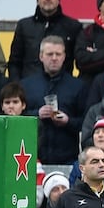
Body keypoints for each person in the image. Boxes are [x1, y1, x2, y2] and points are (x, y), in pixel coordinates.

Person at [20, 36, 84, 166]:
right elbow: (17, 117)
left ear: (64, 56)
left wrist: (68, 121)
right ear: (41, 56)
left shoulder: (77, 86)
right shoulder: (26, 85)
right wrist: (37, 114)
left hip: (67, 159)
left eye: (58, 54)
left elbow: (85, 121)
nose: (54, 58)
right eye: (49, 54)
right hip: (31, 159)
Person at [8, 0, 82, 79]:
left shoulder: (73, 26)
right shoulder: (24, 25)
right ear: (37, 0)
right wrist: (17, 85)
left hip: (62, 84)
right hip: (29, 84)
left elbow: (81, 62)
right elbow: (14, 62)